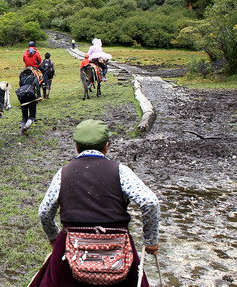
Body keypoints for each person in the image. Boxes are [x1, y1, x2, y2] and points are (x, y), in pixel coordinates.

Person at [31, 119, 160, 286]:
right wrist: (150, 241)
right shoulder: (121, 171)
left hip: (71, 246)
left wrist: (54, 237)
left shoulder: (63, 173)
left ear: (76, 147)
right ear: (106, 146)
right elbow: (150, 203)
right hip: (117, 248)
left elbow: (44, 212)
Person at [18, 67, 41, 134]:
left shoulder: (22, 80)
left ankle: (22, 130)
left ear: (24, 74)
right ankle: (26, 127)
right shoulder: (34, 78)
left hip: (22, 98)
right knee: (32, 115)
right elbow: (38, 87)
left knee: (24, 116)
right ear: (31, 73)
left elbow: (21, 88)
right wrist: (39, 96)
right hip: (31, 97)